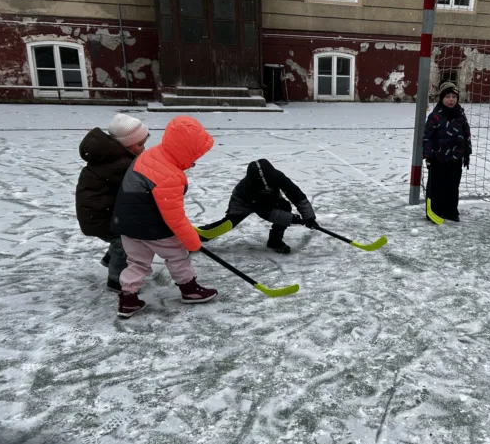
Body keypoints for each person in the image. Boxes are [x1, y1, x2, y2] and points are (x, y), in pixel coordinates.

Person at [111, 116, 218, 318]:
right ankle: (190, 289)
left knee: (137, 262)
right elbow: (174, 217)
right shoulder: (169, 175)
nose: (195, 160)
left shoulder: (151, 155)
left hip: (127, 223)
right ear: (186, 150)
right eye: (195, 154)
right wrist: (192, 242)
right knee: (178, 255)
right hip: (152, 226)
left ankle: (128, 299)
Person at [75, 114, 149, 292]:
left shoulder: (114, 157)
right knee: (123, 242)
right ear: (124, 144)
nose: (144, 148)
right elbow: (135, 185)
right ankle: (116, 279)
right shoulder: (120, 163)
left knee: (121, 238)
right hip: (99, 216)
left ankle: (109, 259)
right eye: (139, 145)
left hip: (103, 211)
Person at [195, 159, 318, 254]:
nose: (267, 189)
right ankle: (195, 237)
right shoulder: (248, 187)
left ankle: (275, 241)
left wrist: (309, 218)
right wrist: (293, 219)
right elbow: (266, 212)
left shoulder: (278, 176)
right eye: (264, 188)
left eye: (270, 186)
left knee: (284, 207)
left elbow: (297, 195)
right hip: (242, 201)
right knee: (228, 223)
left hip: (270, 200)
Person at [422, 81, 472, 222]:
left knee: (452, 186)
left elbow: (466, 134)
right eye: (448, 97)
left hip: (456, 158)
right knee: (436, 186)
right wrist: (429, 155)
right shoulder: (435, 116)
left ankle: (451, 211)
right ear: (442, 98)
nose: (451, 100)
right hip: (439, 158)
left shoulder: (460, 115)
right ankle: (434, 211)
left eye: (454, 97)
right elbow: (428, 137)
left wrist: (466, 152)